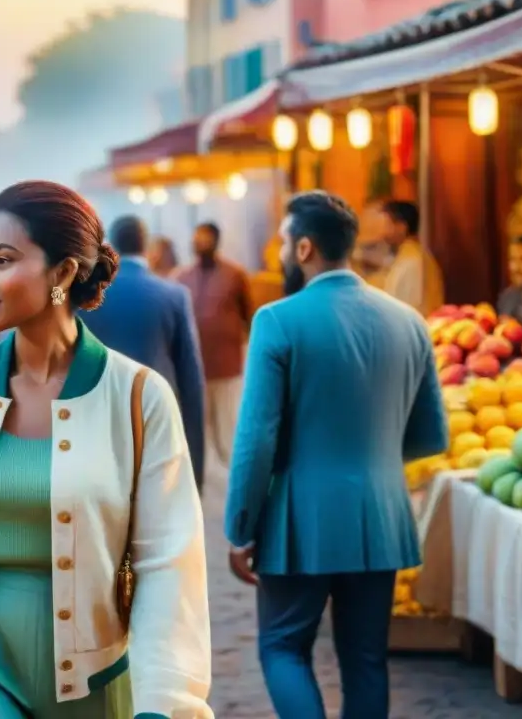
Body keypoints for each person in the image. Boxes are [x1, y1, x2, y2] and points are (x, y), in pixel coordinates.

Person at [0, 180, 211, 718]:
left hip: (95, 675)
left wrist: (161, 703)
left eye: (3, 260)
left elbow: (166, 561)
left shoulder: (138, 397)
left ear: (62, 273)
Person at [224, 191, 448, 719]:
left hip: (299, 518)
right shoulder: (409, 321)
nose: (279, 251)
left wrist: (241, 525)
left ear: (304, 248)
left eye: (283, 241)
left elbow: (256, 439)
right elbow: (430, 434)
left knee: (282, 647)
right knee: (366, 658)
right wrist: (370, 457)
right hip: (381, 514)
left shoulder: (278, 321)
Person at [80, 215, 206, 491]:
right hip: (156, 422)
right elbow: (191, 381)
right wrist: (194, 468)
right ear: (147, 246)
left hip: (95, 424)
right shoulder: (174, 295)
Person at [174, 222, 252, 468]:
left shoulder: (235, 274)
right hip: (194, 369)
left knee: (227, 430)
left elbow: (248, 315)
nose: (199, 243)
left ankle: (236, 480)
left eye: (205, 239)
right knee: (196, 430)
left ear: (216, 242)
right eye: (197, 239)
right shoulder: (181, 277)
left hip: (227, 368)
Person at [380, 200, 444, 316]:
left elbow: (412, 309)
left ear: (402, 227)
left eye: (388, 225)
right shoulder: (409, 256)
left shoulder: (413, 262)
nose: (384, 232)